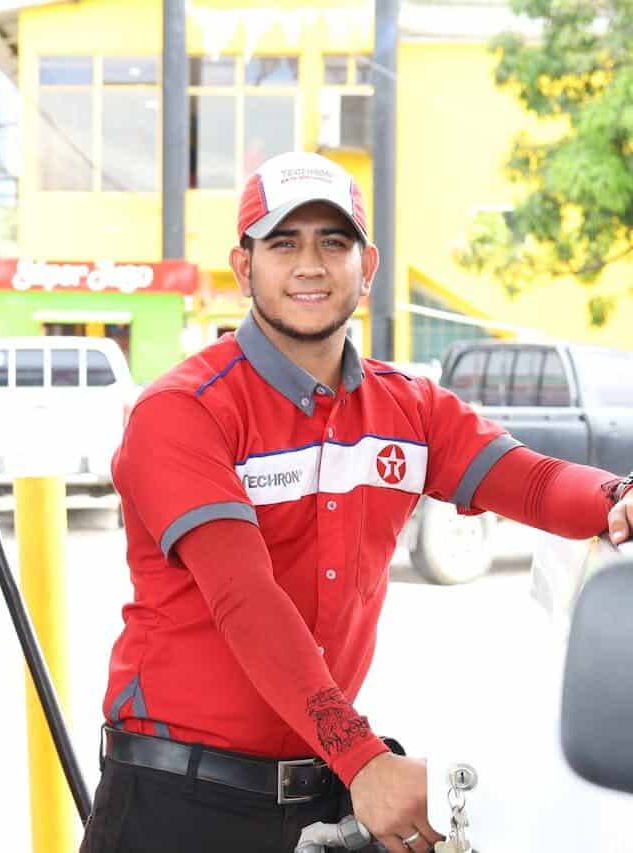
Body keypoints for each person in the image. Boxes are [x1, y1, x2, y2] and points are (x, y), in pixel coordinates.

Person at [79, 151, 633, 853]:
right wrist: (365, 759)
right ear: (244, 267)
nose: (310, 264)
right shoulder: (183, 412)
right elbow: (245, 600)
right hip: (178, 806)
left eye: (332, 242)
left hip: (321, 796)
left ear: (366, 268)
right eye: (283, 242)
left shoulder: (408, 407)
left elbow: (533, 481)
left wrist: (619, 496)